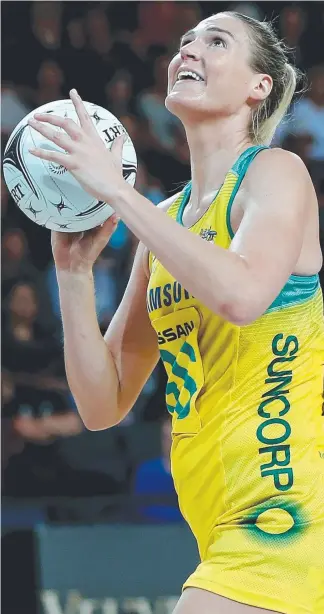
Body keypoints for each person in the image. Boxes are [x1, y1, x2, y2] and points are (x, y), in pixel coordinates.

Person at [28, 10, 324, 614]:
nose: (188, 50)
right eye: (186, 41)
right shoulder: (161, 226)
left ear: (257, 86)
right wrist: (73, 276)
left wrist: (117, 191)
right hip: (217, 528)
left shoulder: (275, 174)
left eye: (217, 42)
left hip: (288, 519)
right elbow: (102, 404)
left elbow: (240, 297)